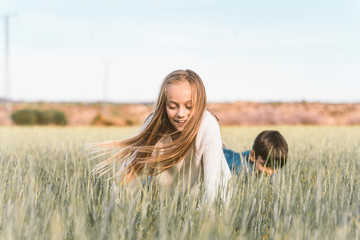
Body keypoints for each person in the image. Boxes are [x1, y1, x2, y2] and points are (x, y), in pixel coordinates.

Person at [92, 69, 231, 202]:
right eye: (172, 106)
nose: (181, 114)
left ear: (200, 105)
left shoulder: (208, 124)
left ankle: (223, 148)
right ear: (164, 105)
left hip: (201, 190)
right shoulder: (154, 124)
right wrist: (114, 213)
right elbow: (129, 173)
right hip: (163, 200)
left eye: (189, 107)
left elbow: (215, 189)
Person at [223, 130, 288, 177]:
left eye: (275, 167)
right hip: (224, 158)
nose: (270, 172)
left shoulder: (266, 166)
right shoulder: (240, 170)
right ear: (252, 156)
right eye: (265, 165)